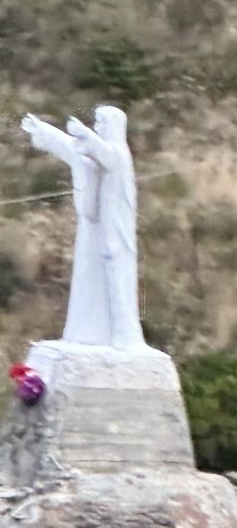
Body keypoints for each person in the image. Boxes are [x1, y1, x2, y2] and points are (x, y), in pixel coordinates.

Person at [21, 106, 146, 351]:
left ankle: (121, 337)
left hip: (113, 236)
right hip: (93, 235)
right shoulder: (94, 153)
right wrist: (44, 130)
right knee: (88, 285)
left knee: (114, 286)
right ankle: (85, 333)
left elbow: (104, 155)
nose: (98, 127)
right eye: (96, 122)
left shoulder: (117, 155)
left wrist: (84, 133)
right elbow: (71, 147)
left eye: (102, 123)